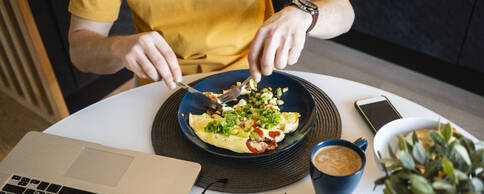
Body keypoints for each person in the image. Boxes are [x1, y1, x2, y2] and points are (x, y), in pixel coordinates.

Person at [68, 0, 354, 89]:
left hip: (252, 80)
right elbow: (80, 50)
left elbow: (344, 12)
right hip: (163, 87)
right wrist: (118, 48)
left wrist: (305, 12)